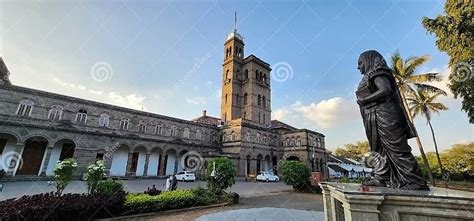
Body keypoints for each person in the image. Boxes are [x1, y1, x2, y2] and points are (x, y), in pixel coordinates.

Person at [356, 50, 429, 190]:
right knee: (378, 147)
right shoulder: (368, 75)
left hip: (386, 114)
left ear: (369, 60)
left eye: (360, 63)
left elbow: (385, 90)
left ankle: (414, 180)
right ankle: (381, 176)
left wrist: (365, 99)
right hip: (373, 115)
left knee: (395, 146)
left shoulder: (378, 72)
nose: (358, 67)